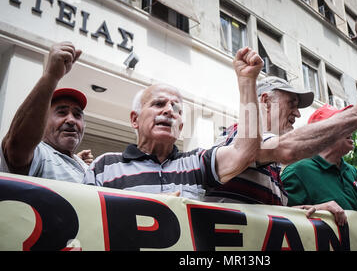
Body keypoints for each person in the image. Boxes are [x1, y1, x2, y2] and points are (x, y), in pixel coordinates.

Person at [83, 47, 264, 200]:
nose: (169, 111)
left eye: (176, 108)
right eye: (158, 104)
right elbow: (86, 221)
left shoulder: (197, 162)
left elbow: (244, 152)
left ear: (181, 127)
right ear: (134, 119)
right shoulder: (104, 166)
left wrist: (247, 82)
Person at [204, 76, 357, 205]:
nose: (298, 113)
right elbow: (288, 148)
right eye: (291, 104)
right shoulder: (241, 136)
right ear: (266, 102)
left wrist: (304, 212)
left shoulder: (272, 164)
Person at [1, 42, 89, 183]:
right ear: (43, 121)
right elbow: (17, 145)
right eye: (62, 112)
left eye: (77, 115)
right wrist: (51, 76)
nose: (71, 120)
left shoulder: (86, 166)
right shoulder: (39, 154)